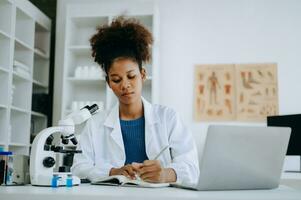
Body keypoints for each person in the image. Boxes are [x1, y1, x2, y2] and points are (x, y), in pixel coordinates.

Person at [71, 16, 199, 185]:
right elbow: (79, 167)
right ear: (109, 83)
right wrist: (113, 171)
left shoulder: (168, 118)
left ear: (143, 75)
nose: (125, 85)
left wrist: (165, 174)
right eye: (116, 80)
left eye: (131, 76)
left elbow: (191, 167)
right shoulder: (95, 124)